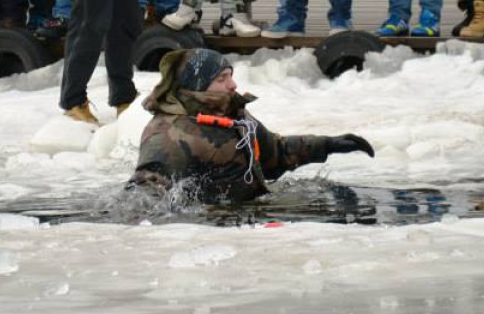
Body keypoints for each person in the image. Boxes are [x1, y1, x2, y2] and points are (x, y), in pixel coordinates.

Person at [129, 48, 375, 203]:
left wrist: (327, 145)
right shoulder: (167, 134)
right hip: (207, 234)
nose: (233, 85)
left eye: (231, 75)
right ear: (198, 86)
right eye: (222, 78)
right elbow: (142, 195)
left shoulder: (235, 114)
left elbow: (275, 152)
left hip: (248, 219)